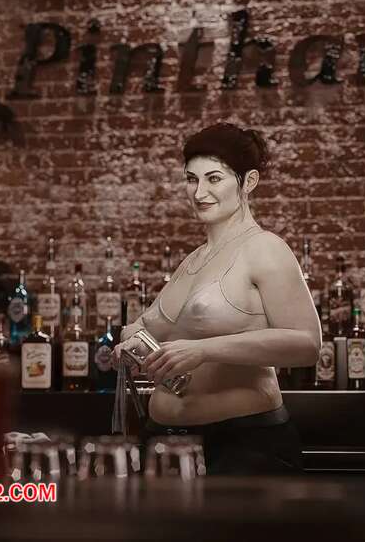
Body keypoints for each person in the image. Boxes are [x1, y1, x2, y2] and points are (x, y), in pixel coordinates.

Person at [112, 122, 321, 475]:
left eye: (214, 179)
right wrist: (131, 342)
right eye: (191, 179)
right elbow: (146, 326)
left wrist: (203, 350)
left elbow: (307, 344)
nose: (199, 192)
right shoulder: (192, 260)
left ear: (248, 182)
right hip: (162, 443)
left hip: (242, 446)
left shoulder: (264, 248)